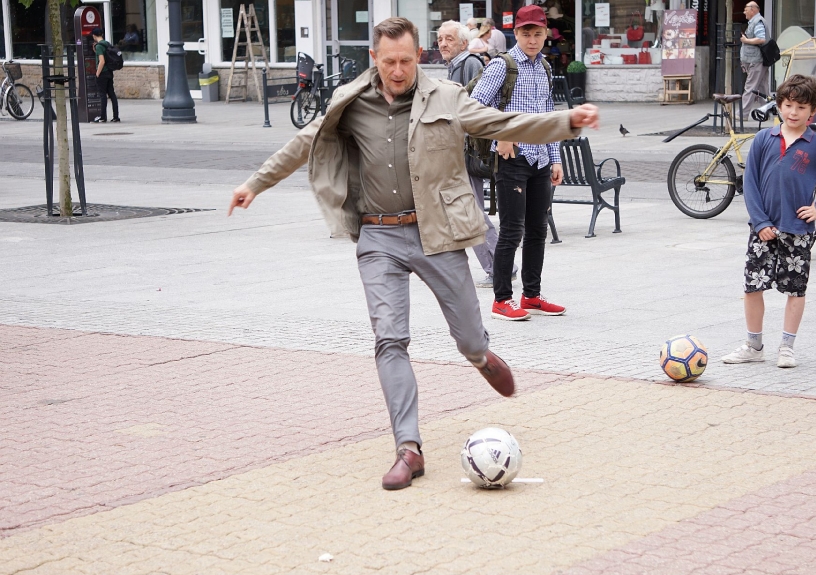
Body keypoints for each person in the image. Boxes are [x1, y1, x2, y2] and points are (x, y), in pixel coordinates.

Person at [228, 17, 599, 490]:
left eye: (406, 60)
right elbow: (305, 142)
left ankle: (480, 355)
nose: (398, 71)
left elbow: (503, 122)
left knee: (468, 338)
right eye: (389, 62)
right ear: (374, 59)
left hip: (436, 232)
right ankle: (408, 448)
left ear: (419, 56)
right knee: (389, 339)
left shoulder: (446, 96)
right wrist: (255, 183)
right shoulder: (351, 101)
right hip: (378, 237)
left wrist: (566, 122)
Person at [722, 74, 816, 369]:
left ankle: (787, 347)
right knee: (752, 286)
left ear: (812, 111)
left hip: (798, 230)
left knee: (796, 289)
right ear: (779, 105)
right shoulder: (763, 140)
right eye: (788, 105)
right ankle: (754, 346)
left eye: (801, 107)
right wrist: (760, 222)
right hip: (762, 230)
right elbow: (750, 183)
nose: (793, 112)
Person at [470, 5, 569, 322]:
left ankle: (532, 296)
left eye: (538, 33)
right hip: (511, 159)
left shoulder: (545, 68)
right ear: (516, 33)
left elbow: (548, 117)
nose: (532, 39)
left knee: (538, 230)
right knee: (512, 231)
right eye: (526, 33)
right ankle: (502, 300)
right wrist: (502, 133)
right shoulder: (503, 66)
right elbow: (474, 108)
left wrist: (555, 159)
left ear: (545, 34)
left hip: (540, 159)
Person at [438, 20, 517, 288]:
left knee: (471, 209)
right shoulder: (454, 66)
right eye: (440, 39)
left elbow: (472, 110)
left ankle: (500, 267)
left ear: (463, 43)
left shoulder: (469, 64)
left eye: (449, 39)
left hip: (465, 150)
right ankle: (496, 266)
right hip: (456, 150)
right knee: (466, 209)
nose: (443, 44)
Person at [739, 1, 769, 119]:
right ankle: (767, 112)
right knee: (762, 87)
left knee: (750, 86)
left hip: (756, 60)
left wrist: (746, 41)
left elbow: (761, 39)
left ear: (752, 10)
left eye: (746, 9)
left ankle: (743, 113)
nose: (744, 12)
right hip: (758, 60)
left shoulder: (758, 21)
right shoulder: (755, 21)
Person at [91, 28, 120, 123]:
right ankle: (116, 116)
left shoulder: (99, 46)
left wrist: (97, 73)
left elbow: (102, 61)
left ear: (94, 35)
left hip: (102, 73)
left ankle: (102, 117)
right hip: (109, 72)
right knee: (112, 94)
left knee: (102, 95)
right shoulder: (106, 43)